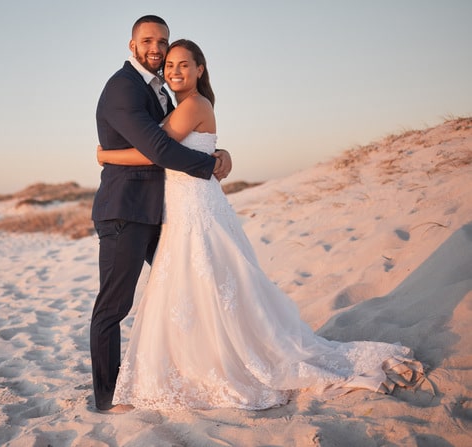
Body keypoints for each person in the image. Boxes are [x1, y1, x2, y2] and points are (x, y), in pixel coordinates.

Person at [97, 39, 425, 410]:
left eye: (184, 64)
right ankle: (198, 358)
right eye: (170, 64)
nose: (174, 70)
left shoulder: (193, 105)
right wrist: (220, 155)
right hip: (184, 206)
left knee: (208, 283)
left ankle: (219, 360)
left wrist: (105, 155)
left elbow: (157, 150)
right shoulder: (182, 104)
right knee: (198, 286)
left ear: (200, 69)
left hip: (194, 208)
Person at [91, 15, 232, 414]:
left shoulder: (158, 90)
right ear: (132, 45)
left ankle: (199, 367)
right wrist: (209, 166)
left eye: (163, 42)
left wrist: (220, 153)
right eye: (148, 41)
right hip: (126, 213)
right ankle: (106, 398)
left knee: (189, 288)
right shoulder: (123, 88)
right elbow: (160, 148)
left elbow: (184, 134)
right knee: (113, 307)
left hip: (160, 211)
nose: (157, 49)